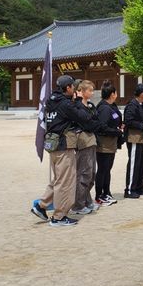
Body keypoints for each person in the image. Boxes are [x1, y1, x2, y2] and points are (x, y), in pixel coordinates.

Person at [30, 75, 93, 226]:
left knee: (59, 179)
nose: (74, 89)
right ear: (68, 88)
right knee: (66, 181)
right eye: (72, 86)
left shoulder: (50, 102)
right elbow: (84, 117)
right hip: (64, 145)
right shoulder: (66, 104)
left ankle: (41, 205)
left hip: (53, 145)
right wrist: (78, 101)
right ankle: (59, 217)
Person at [71, 80, 101, 215]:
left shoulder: (90, 105)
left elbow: (96, 121)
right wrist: (92, 122)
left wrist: (93, 122)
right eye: (89, 90)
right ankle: (78, 204)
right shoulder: (76, 106)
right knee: (84, 173)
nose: (92, 92)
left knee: (91, 173)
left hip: (91, 139)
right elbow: (87, 122)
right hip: (83, 141)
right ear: (81, 91)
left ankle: (87, 201)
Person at [95, 81, 123, 206]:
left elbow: (115, 119)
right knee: (103, 169)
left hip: (111, 143)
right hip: (104, 144)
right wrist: (117, 131)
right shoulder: (104, 108)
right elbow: (102, 127)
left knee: (107, 169)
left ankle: (106, 192)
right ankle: (99, 195)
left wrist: (120, 126)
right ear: (112, 94)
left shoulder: (112, 106)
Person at [123, 83, 143, 199]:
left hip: (142, 137)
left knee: (142, 163)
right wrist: (142, 126)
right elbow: (128, 121)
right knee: (134, 163)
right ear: (142, 94)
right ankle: (130, 189)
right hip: (133, 137)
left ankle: (140, 186)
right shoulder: (131, 105)